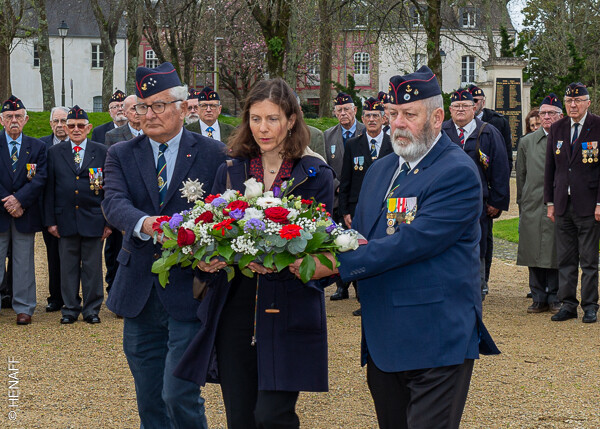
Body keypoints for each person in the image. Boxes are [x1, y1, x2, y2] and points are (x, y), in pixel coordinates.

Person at [290, 66, 500, 429]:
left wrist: (337, 263)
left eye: (409, 114)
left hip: (436, 339)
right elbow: (363, 237)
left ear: (436, 117)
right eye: (392, 114)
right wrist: (308, 263)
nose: (397, 124)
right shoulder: (381, 170)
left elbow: (412, 242)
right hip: (384, 342)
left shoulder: (457, 172)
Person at [174, 78, 334, 429]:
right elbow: (210, 230)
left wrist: (291, 258)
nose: (263, 128)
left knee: (273, 415)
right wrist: (204, 256)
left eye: (272, 118)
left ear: (292, 120)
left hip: (289, 303)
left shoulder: (315, 174)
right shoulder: (230, 170)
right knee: (242, 417)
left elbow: (324, 245)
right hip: (235, 305)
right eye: (255, 118)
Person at [102, 62, 227, 428]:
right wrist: (146, 224)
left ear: (183, 107)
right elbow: (114, 203)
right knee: (150, 401)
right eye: (142, 106)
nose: (148, 114)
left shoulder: (214, 153)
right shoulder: (122, 153)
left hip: (191, 289)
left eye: (158, 105)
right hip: (139, 290)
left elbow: (224, 210)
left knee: (180, 393)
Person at [44, 106, 110, 324]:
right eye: (70, 125)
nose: (75, 129)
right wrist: (50, 221)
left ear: (89, 127)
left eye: (80, 125)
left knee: (92, 267)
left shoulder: (102, 152)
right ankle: (70, 309)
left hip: (94, 218)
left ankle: (92, 309)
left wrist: (109, 221)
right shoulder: (54, 152)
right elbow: (49, 189)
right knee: (68, 266)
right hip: (65, 219)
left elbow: (109, 189)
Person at [442, 89, 510, 300]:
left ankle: (477, 285)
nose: (460, 110)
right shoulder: (440, 132)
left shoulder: (488, 132)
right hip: (445, 201)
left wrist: (496, 201)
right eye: (456, 107)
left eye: (465, 106)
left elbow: (500, 168)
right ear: (450, 110)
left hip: (478, 203)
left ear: (474, 108)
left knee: (477, 243)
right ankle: (447, 285)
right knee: (445, 242)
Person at [544, 82, 600, 324]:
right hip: (562, 203)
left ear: (588, 102)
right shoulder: (558, 128)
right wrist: (549, 202)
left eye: (578, 101)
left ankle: (590, 305)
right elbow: (550, 169)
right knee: (565, 259)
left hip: (589, 205)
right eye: (569, 101)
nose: (573, 105)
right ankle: (568, 304)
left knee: (588, 260)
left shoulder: (598, 126)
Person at [0, 95, 47, 325]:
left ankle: (24, 307)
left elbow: (40, 178)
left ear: (26, 119)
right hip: (0, 212)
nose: (14, 120)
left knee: (23, 262)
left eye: (18, 116)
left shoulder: (37, 147)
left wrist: (19, 201)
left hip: (24, 213)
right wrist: (7, 201)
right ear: (1, 120)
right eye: (9, 116)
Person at [517, 94, 563, 314]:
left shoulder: (567, 140)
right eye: (543, 113)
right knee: (532, 250)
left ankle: (556, 296)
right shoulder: (527, 142)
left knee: (556, 251)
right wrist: (522, 202)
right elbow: (521, 175)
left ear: (560, 116)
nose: (546, 117)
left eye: (551, 113)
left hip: (559, 204)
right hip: (533, 203)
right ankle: (538, 296)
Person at [468, 84, 512, 299]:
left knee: (485, 239)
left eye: (476, 101)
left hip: (483, 194)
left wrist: (498, 197)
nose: (473, 104)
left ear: (482, 101)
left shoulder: (496, 123)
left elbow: (502, 163)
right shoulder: (447, 129)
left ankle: (482, 280)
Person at [324, 92, 365, 301]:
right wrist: (338, 186)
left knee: (358, 240)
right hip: (337, 196)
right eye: (339, 110)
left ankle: (359, 285)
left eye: (347, 109)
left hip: (359, 196)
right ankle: (342, 286)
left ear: (355, 110)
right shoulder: (328, 136)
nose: (343, 113)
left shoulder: (365, 131)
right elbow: (324, 167)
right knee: (337, 239)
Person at [103, 95, 143, 296]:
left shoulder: (152, 134)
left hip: (146, 201)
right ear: (125, 113)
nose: (137, 112)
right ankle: (116, 290)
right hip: (123, 199)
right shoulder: (113, 135)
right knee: (117, 248)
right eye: (132, 109)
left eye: (140, 108)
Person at [39, 106, 69, 312]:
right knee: (53, 255)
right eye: (56, 121)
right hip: (49, 209)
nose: (60, 125)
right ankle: (55, 297)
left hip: (74, 210)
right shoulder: (41, 146)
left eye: (64, 121)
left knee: (74, 256)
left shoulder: (80, 144)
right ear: (50, 124)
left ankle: (73, 296)